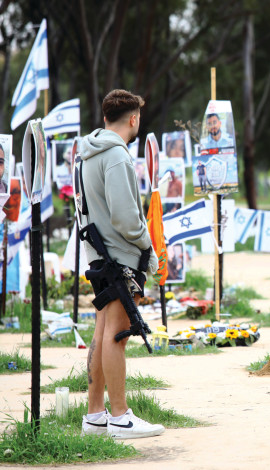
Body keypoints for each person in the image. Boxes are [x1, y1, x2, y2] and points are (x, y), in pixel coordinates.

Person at [78, 89, 164, 439]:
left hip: (98, 256)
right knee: (117, 335)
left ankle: (95, 415)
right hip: (120, 259)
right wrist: (149, 246)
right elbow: (127, 218)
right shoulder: (117, 156)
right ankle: (120, 417)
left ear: (104, 118)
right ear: (133, 119)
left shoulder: (87, 154)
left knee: (102, 333)